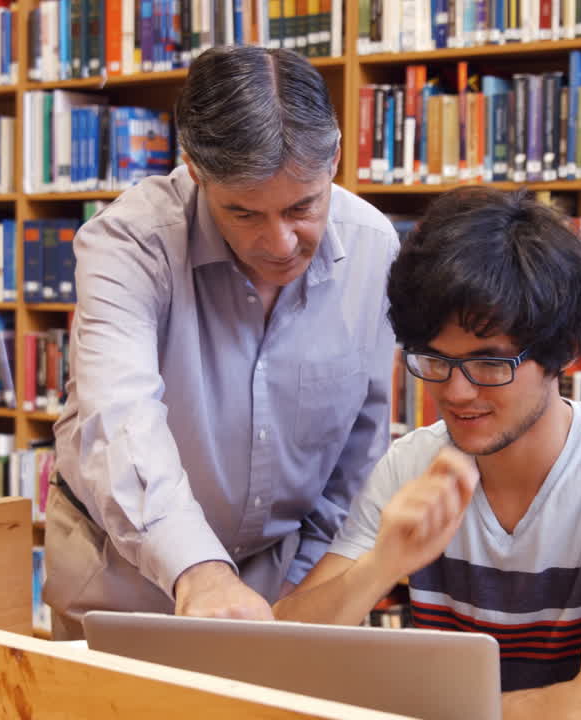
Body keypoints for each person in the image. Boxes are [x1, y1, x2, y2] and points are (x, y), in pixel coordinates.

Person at [274, 187, 581, 720]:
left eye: (489, 364)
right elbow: (283, 658)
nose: (456, 393)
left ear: (563, 353)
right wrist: (380, 565)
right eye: (434, 359)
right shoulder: (415, 465)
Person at [45, 45, 399, 639]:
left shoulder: (373, 246)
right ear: (195, 168)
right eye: (243, 213)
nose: (280, 241)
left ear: (335, 157)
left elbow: (360, 447)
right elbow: (119, 420)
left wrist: (307, 588)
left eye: (302, 207)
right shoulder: (128, 245)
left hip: (283, 575)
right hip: (121, 572)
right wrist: (200, 571)